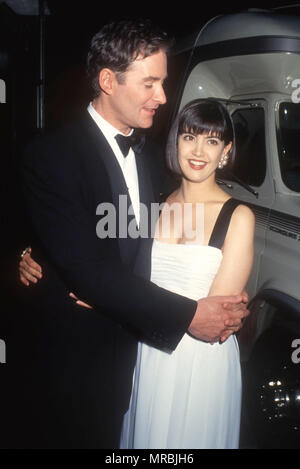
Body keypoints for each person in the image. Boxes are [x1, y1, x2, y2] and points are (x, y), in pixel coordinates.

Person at [18, 20, 248, 449]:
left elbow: (132, 250)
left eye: (163, 83)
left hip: (138, 359)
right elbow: (86, 265)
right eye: (150, 83)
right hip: (79, 371)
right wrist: (42, 259)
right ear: (108, 80)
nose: (162, 98)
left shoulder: (150, 166)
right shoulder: (52, 155)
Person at [119, 98, 255, 449]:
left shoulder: (238, 217)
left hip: (199, 367)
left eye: (212, 141)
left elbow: (214, 319)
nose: (198, 151)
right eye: (190, 136)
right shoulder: (153, 205)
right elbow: (112, 264)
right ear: (175, 141)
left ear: (225, 151)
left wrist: (126, 300)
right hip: (145, 357)